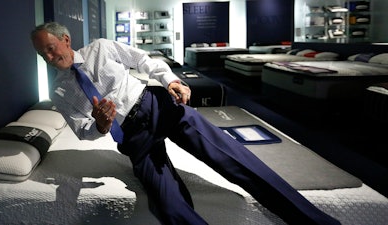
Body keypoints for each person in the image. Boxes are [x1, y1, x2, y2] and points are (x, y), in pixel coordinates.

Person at [31, 22, 341, 225]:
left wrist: (171, 81)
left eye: (49, 47)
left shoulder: (101, 47)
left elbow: (144, 62)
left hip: (156, 106)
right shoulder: (60, 91)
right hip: (134, 137)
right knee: (168, 205)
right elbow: (82, 132)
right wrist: (100, 125)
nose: (47, 56)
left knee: (237, 161)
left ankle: (315, 221)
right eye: (41, 53)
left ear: (65, 39)